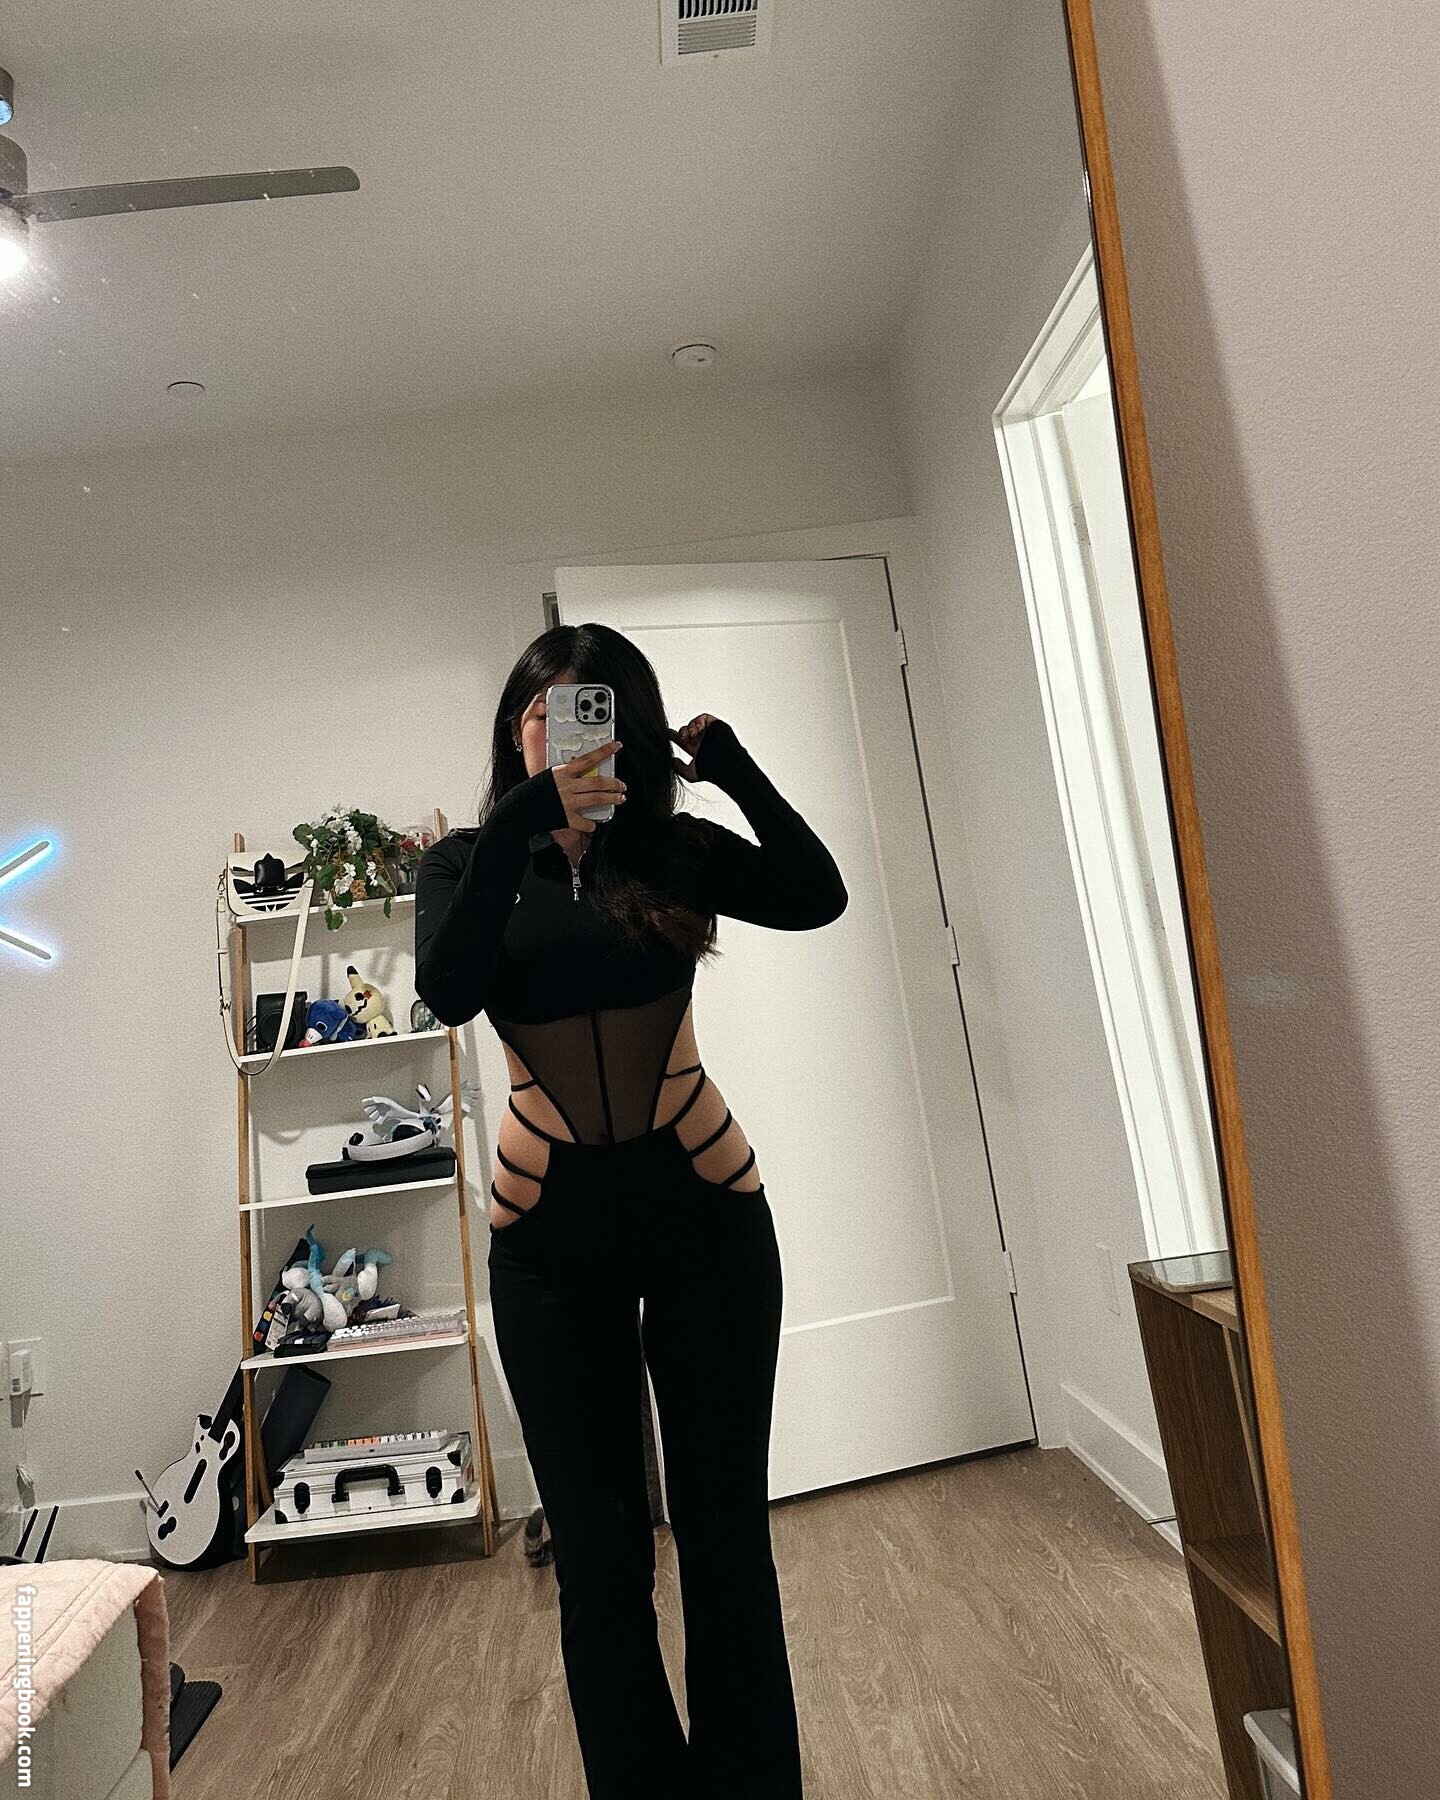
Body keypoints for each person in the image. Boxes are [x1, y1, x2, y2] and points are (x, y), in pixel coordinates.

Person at [414, 622, 847, 1800]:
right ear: (515, 730)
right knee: (600, 1564)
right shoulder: (464, 863)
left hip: (707, 1220)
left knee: (724, 1539)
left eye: (598, 710)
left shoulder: (669, 850)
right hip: (548, 1250)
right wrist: (522, 819)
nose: (569, 735)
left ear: (633, 727)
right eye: (547, 713)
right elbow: (447, 989)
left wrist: (733, 768)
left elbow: (817, 895)